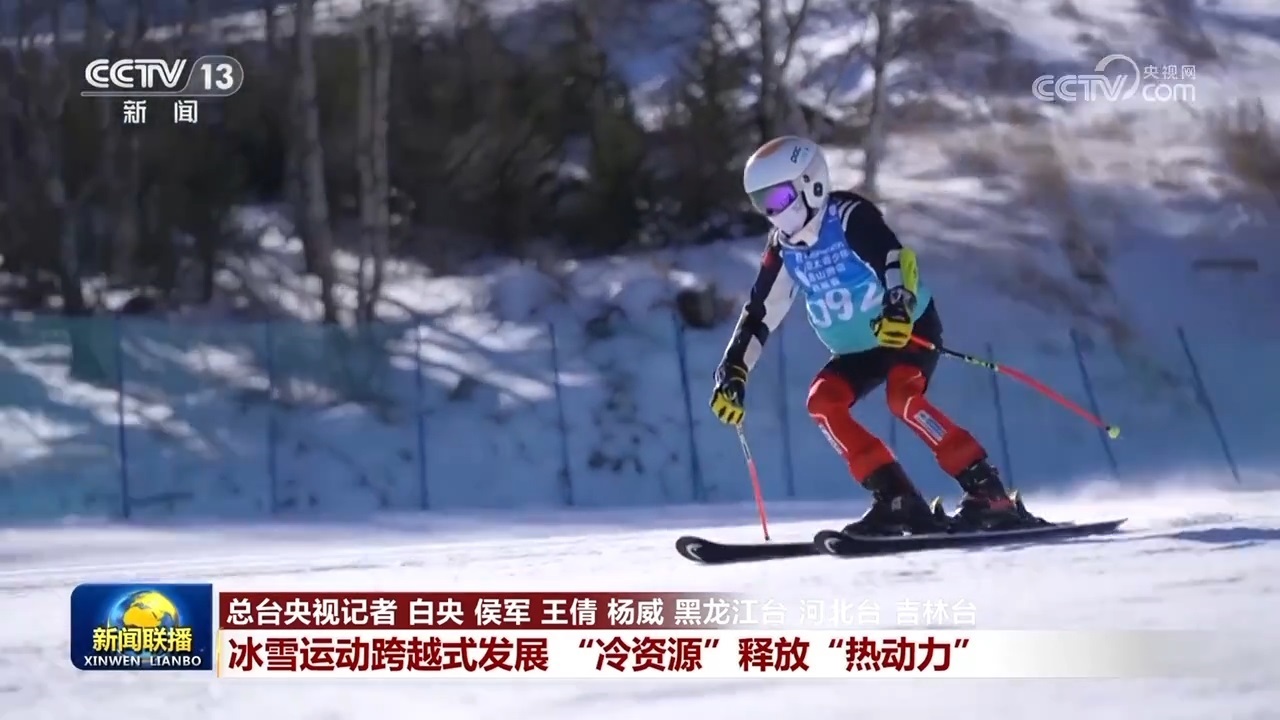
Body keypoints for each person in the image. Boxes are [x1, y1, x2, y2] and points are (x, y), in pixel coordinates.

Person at [709, 135, 1029, 536]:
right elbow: (760, 314)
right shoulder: (784, 249)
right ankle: (896, 498)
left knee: (903, 397)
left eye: (779, 198)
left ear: (811, 183)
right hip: (857, 350)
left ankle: (987, 492)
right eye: (763, 204)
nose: (774, 213)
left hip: (904, 330)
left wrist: (898, 306)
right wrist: (733, 370)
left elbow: (893, 257)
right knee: (822, 402)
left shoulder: (847, 217)